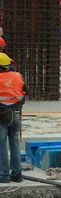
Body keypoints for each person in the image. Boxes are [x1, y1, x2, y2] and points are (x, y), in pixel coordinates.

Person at [0, 53, 27, 183]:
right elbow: (25, 90)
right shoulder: (18, 76)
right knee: (15, 143)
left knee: (1, 146)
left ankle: (4, 174)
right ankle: (17, 174)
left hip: (1, 115)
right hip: (16, 114)